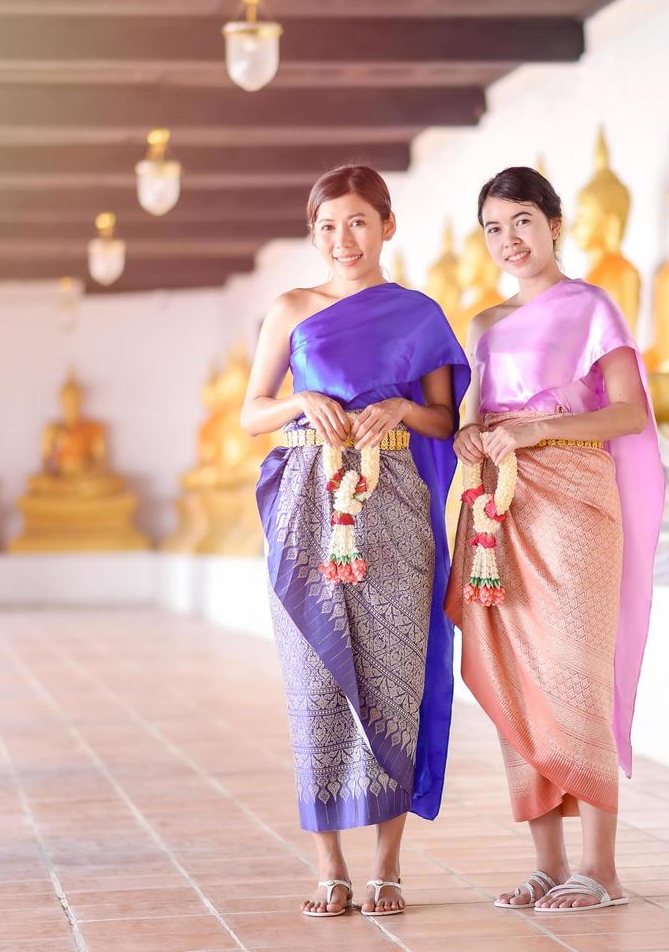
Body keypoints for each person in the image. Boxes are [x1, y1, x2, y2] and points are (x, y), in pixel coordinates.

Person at [241, 165, 469, 918]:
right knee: (314, 684)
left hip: (396, 504)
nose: (343, 239)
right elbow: (250, 414)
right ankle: (328, 867)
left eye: (358, 222)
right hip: (308, 504)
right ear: (314, 233)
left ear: (387, 226)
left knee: (393, 678)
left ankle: (388, 868)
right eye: (328, 226)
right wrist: (297, 401)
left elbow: (445, 422)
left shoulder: (418, 315)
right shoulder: (290, 309)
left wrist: (401, 405)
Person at [446, 166, 665, 913]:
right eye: (493, 228)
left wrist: (539, 429)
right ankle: (547, 863)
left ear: (553, 226)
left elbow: (628, 413)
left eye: (521, 223)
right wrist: (473, 438)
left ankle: (600, 869)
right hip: (498, 509)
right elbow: (475, 419)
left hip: (574, 502)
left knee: (575, 672)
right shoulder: (483, 325)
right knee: (517, 675)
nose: (508, 241)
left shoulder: (591, 307)